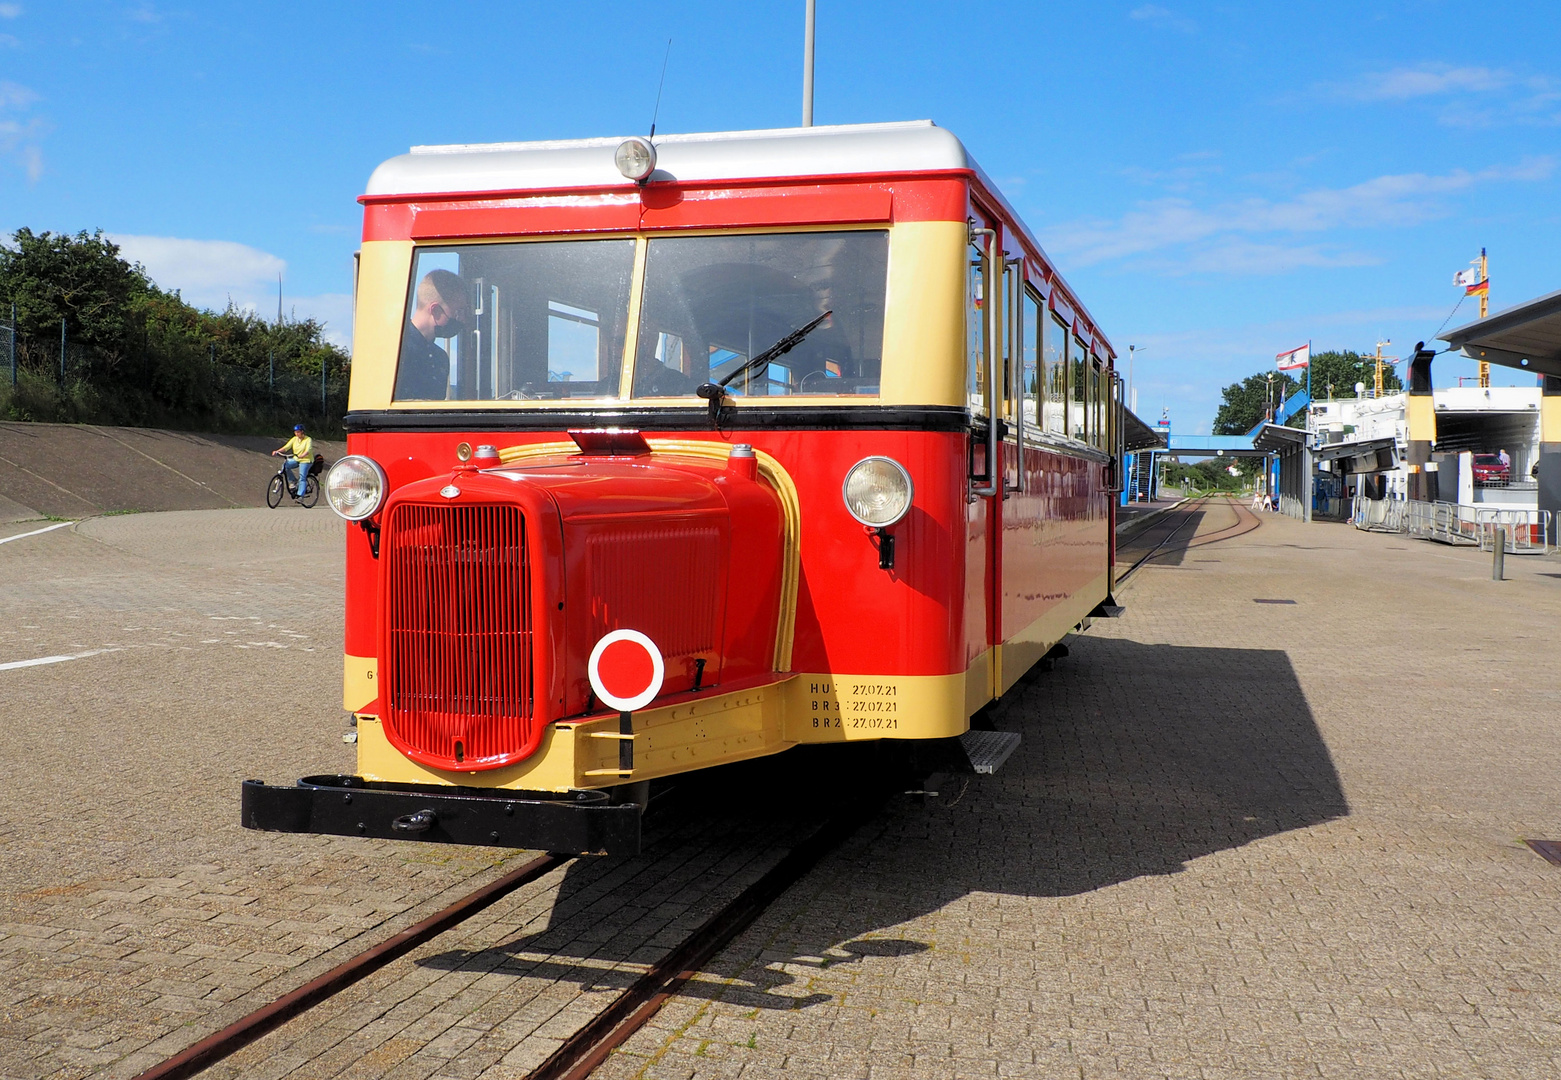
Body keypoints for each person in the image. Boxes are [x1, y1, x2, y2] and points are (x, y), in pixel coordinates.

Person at [395, 269, 472, 400]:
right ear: (435, 310)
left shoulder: (440, 358)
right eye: (458, 312)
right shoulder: (397, 352)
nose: (462, 320)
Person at [273, 424, 314, 500]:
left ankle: (300, 496)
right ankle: (293, 481)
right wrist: (277, 451)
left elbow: (308, 450)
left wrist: (302, 455)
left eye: (298, 432)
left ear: (302, 432)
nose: (296, 434)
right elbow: (286, 447)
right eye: (295, 432)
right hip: (296, 459)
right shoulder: (294, 439)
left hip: (306, 460)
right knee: (285, 466)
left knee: (302, 477)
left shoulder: (308, 439)